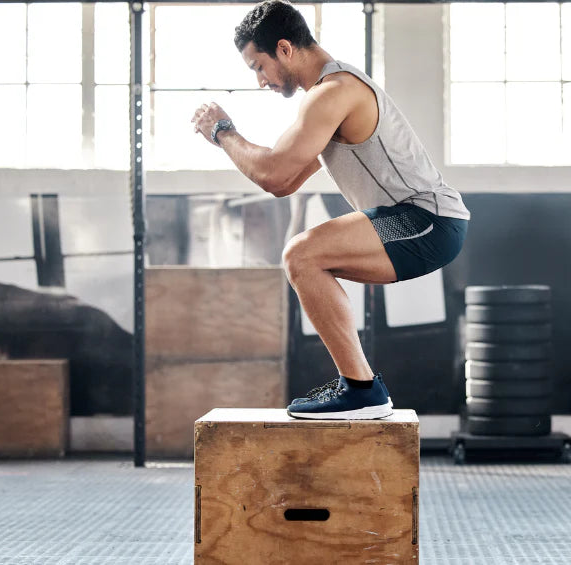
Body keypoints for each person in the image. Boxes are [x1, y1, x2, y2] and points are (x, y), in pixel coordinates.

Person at [190, 0, 470, 420]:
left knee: (301, 254)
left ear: (284, 48)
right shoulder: (327, 97)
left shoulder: (333, 93)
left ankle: (361, 390)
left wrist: (222, 131)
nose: (261, 80)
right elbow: (285, 181)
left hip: (427, 219)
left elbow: (272, 174)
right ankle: (359, 387)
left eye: (258, 66)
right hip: (415, 221)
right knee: (306, 260)